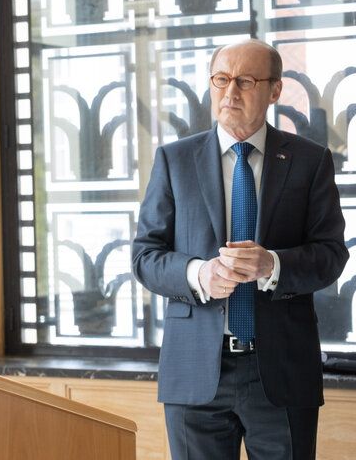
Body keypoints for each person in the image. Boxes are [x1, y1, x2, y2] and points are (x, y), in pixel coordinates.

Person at [132, 39, 348, 459]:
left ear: (274, 90)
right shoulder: (174, 160)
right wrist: (199, 273)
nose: (229, 92)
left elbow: (331, 255)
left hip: (282, 372)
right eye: (220, 79)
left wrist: (273, 265)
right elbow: (145, 256)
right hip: (195, 374)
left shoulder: (310, 161)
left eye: (245, 81)